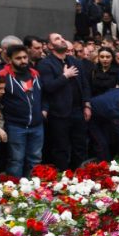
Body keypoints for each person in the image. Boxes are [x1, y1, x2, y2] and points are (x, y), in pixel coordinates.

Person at [37, 33, 91, 170]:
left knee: (80, 145)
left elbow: (85, 85)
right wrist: (65, 76)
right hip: (58, 113)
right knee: (61, 148)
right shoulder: (45, 64)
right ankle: (63, 177)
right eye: (57, 39)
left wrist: (87, 105)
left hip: (78, 110)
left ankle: (79, 175)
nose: (62, 40)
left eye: (62, 38)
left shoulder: (75, 62)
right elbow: (48, 87)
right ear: (50, 46)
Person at [0, 45, 44, 178]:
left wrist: (45, 109)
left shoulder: (35, 74)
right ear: (9, 59)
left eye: (24, 57)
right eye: (18, 58)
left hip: (37, 125)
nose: (23, 61)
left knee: (35, 159)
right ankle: (15, 192)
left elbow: (43, 95)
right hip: (15, 126)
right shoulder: (1, 76)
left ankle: (33, 191)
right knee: (16, 160)